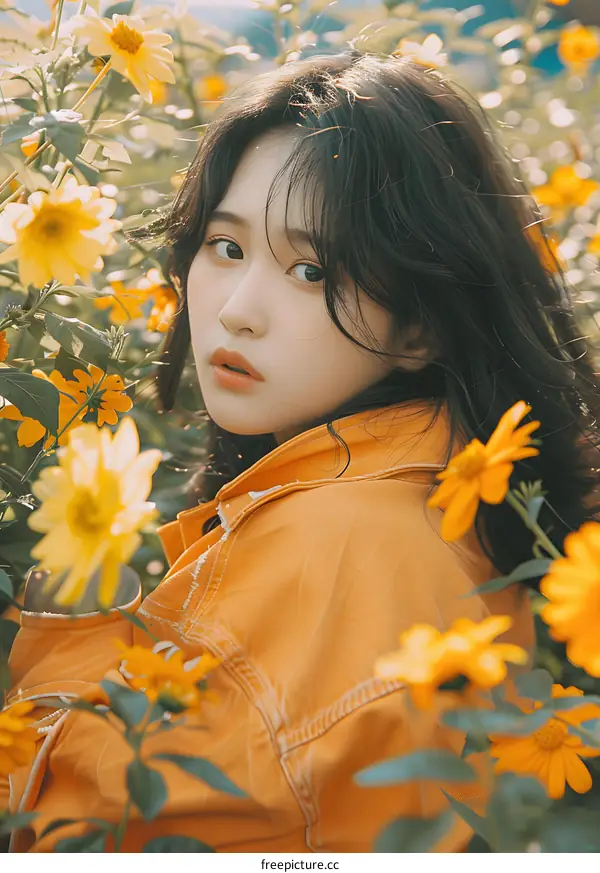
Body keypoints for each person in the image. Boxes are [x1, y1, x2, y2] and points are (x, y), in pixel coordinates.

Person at [2, 49, 599, 853]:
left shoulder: (339, 540)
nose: (239, 311)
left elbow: (80, 837)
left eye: (312, 269)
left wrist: (73, 629)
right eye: (227, 246)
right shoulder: (428, 493)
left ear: (421, 324)